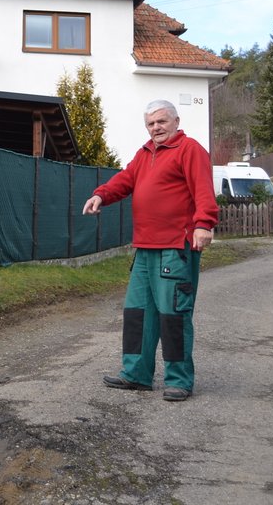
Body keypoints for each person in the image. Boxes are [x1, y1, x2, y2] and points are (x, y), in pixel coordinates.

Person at [82, 99, 218, 402]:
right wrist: (100, 195)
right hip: (144, 248)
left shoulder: (190, 149)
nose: (156, 128)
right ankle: (136, 374)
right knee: (138, 314)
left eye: (162, 121)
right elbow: (125, 180)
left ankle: (179, 380)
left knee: (174, 314)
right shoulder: (144, 154)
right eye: (151, 123)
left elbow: (203, 189)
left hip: (176, 248)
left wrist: (204, 224)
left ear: (176, 122)